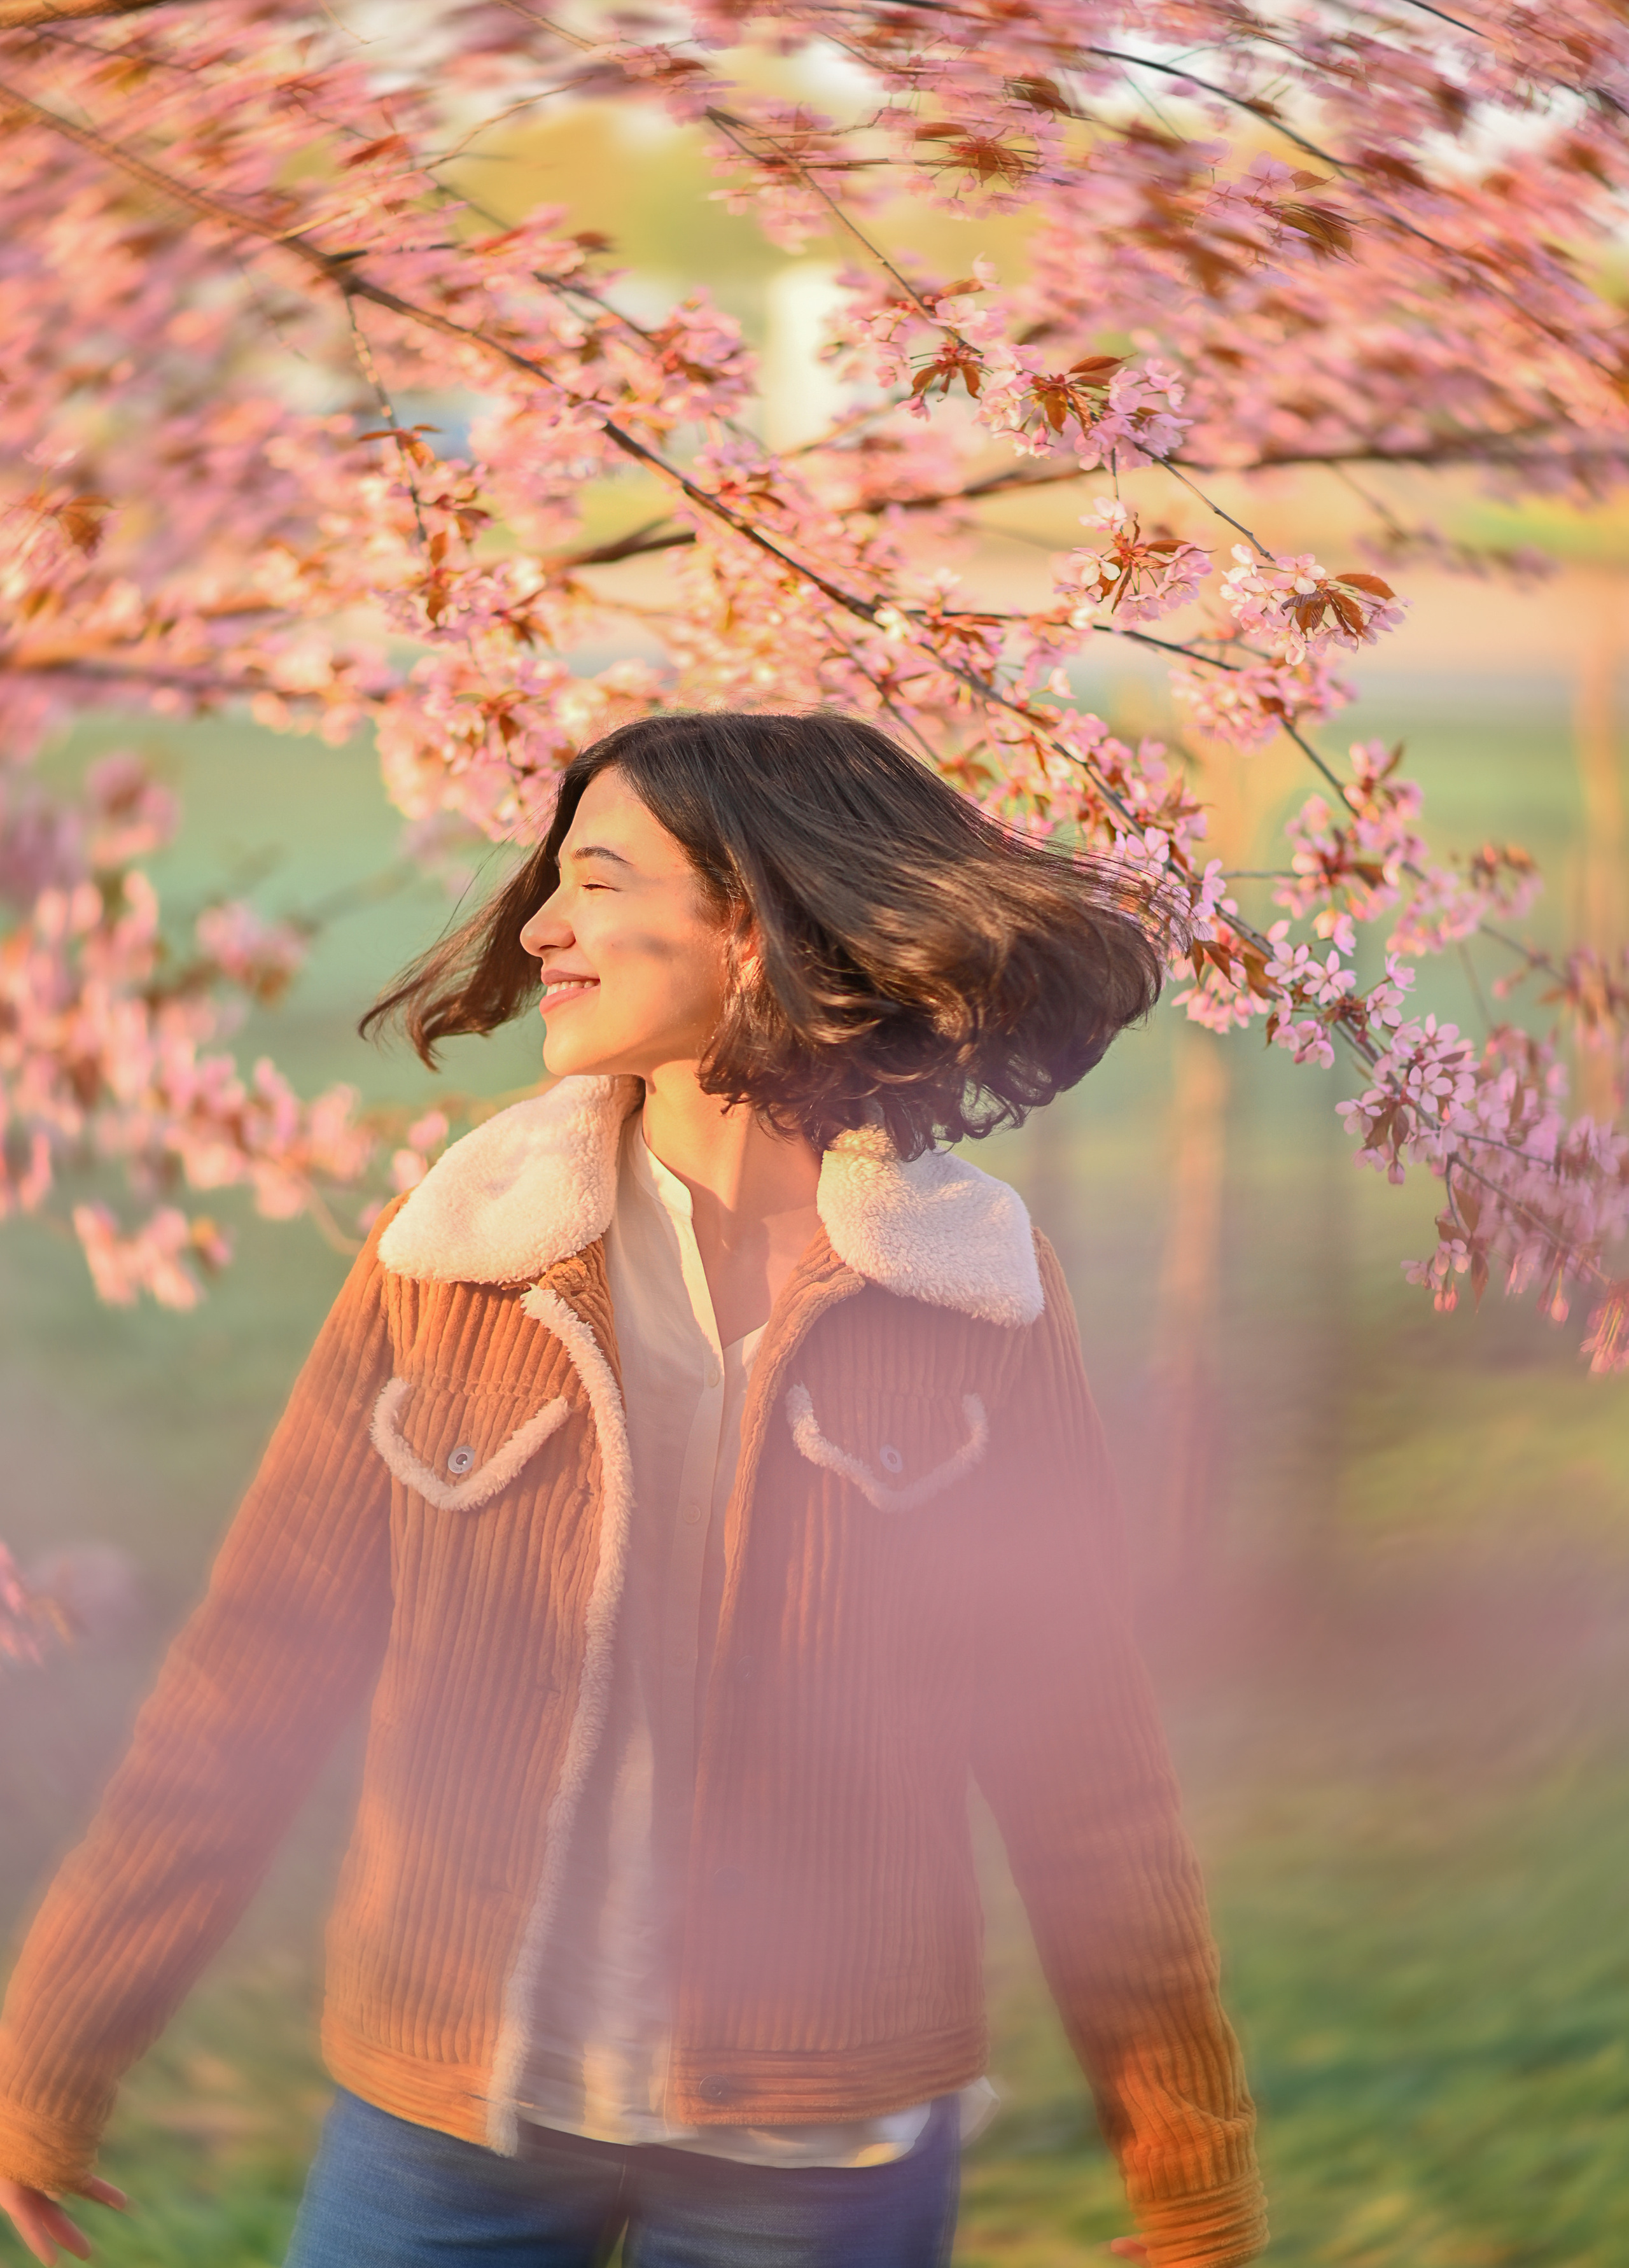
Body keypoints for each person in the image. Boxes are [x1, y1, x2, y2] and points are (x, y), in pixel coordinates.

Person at [0, 710, 1266, 2268]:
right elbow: (254, 1671)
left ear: (751, 922)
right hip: (447, 2117)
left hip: (815, 2145)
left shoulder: (977, 1298)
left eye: (594, 882)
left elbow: (1075, 1739)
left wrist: (1182, 2144)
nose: (538, 928)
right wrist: (51, 2049)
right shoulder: (452, 1257)